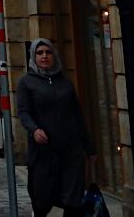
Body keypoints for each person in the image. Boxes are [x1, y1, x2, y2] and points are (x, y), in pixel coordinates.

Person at [16, 39, 96, 217]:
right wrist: (34, 129)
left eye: (48, 52)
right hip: (43, 152)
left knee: (73, 200)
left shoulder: (65, 83)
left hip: (70, 150)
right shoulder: (26, 83)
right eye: (40, 53)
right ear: (33, 56)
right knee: (42, 200)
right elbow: (23, 112)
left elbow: (77, 116)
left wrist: (89, 149)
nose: (44, 56)